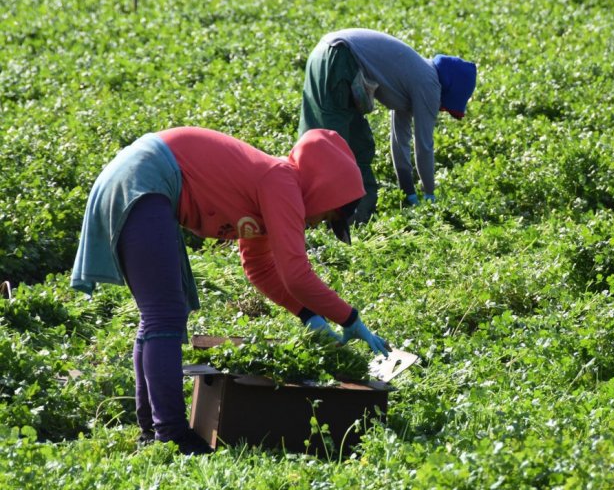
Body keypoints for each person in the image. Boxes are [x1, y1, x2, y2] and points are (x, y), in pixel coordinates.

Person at [71, 127, 390, 455]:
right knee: (163, 316)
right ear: (325, 192)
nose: (321, 222)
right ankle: (171, 435)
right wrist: (348, 318)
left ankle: (153, 429)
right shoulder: (281, 182)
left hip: (138, 177)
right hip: (144, 178)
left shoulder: (273, 187)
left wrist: (308, 315)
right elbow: (296, 274)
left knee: (161, 316)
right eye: (330, 215)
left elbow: (260, 269)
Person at [300, 28, 477, 224]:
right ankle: (328, 220)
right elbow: (424, 146)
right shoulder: (429, 83)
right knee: (333, 150)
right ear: (449, 89)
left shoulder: (413, 78)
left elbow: (399, 142)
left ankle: (353, 218)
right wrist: (430, 195)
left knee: (357, 145)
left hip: (327, 52)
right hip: (339, 59)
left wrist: (408, 193)